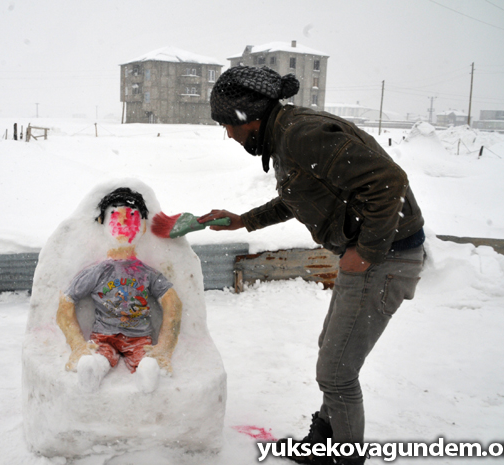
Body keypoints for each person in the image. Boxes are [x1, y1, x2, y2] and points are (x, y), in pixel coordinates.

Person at [198, 66, 425, 465]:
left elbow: (389, 180)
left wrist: (367, 252)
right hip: (373, 257)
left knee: (337, 372)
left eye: (227, 125)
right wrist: (243, 220)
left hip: (386, 259)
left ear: (248, 116)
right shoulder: (287, 135)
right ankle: (323, 444)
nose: (229, 135)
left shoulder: (302, 135)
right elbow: (299, 196)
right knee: (331, 355)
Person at [57, 187, 182, 393]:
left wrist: (164, 348)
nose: (124, 222)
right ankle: (93, 369)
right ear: (102, 223)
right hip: (103, 337)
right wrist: (77, 344)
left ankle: (147, 372)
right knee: (98, 357)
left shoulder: (147, 273)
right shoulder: (97, 272)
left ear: (142, 227)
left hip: (140, 338)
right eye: (115, 215)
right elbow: (67, 300)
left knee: (146, 361)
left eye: (133, 216)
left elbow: (173, 303)